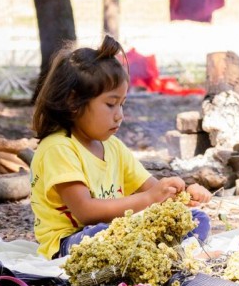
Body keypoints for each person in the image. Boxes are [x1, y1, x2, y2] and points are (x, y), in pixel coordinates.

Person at [29, 35, 212, 260]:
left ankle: (169, 254)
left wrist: (183, 195)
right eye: (110, 104)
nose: (120, 115)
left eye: (122, 104)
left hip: (119, 231)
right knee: (104, 235)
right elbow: (86, 213)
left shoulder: (113, 147)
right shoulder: (58, 148)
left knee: (196, 219)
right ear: (73, 102)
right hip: (72, 242)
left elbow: (154, 192)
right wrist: (149, 199)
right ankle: (170, 254)